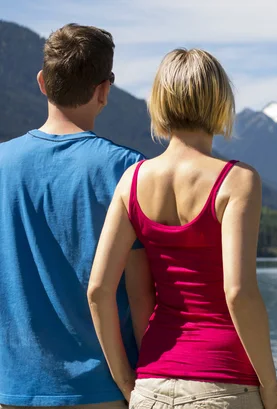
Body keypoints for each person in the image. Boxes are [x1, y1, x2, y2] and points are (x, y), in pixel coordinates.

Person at [87, 48, 277, 409]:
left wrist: (125, 381)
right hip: (225, 385)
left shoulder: (131, 182)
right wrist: (270, 385)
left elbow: (99, 290)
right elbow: (238, 293)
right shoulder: (236, 181)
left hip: (151, 384)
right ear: (219, 101)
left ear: (160, 102)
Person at [0, 24, 149, 409]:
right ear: (104, 90)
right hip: (104, 390)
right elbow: (142, 291)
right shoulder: (128, 170)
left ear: (42, 82)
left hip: (11, 387)